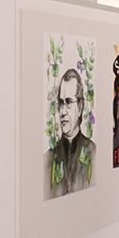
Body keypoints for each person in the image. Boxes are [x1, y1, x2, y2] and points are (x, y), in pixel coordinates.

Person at [44, 68, 97, 199]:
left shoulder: (94, 153)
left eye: (68, 102)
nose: (62, 111)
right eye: (61, 103)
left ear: (80, 107)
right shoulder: (48, 159)